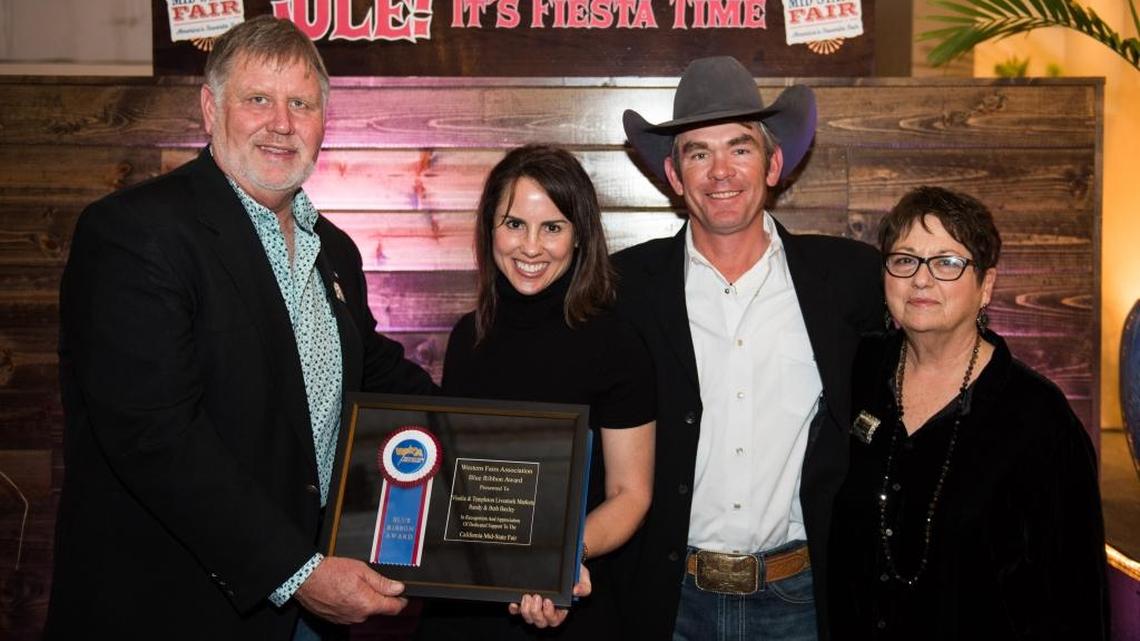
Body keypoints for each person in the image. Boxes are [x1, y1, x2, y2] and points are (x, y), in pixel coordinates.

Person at [45, 16, 437, 641]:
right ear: (210, 107)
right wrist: (296, 571)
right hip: (175, 608)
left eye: (301, 104)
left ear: (322, 122)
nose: (281, 122)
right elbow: (156, 436)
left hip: (306, 605)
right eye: (258, 99)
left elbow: (372, 371)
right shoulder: (135, 234)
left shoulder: (333, 248)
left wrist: (508, 434)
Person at [610, 56, 884, 641]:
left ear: (774, 164)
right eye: (698, 152)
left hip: (801, 598)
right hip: (668, 600)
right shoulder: (624, 288)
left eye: (739, 147)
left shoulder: (848, 281)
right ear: (674, 176)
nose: (720, 171)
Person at [828, 186, 1110, 639]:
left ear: (987, 286)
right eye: (905, 260)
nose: (921, 279)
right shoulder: (857, 373)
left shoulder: (1038, 418)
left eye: (947, 262)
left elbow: (1076, 596)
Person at [415, 144, 656, 640]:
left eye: (552, 227)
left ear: (579, 237)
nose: (530, 247)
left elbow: (630, 494)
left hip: (569, 599)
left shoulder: (616, 344)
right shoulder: (467, 337)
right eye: (514, 224)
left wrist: (558, 560)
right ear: (490, 229)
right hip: (464, 607)